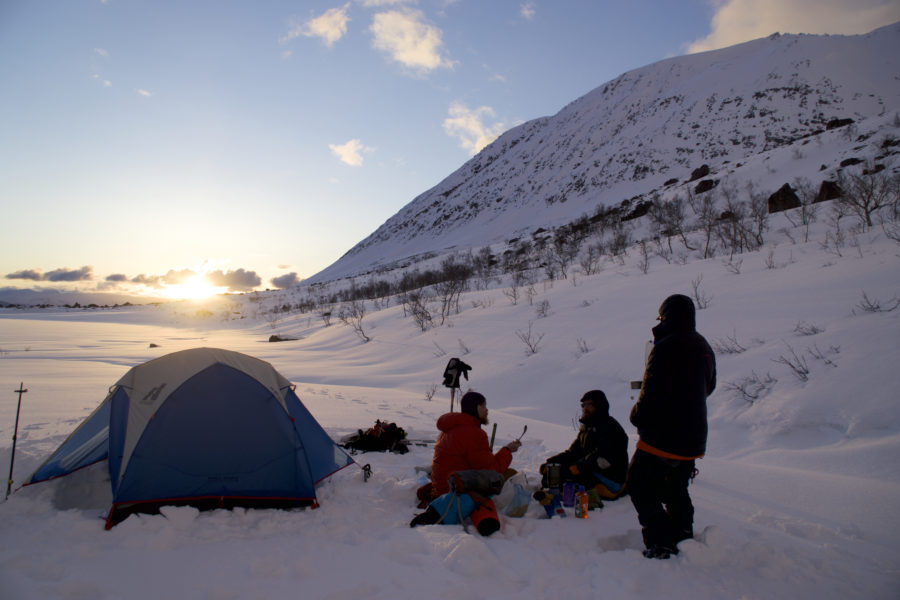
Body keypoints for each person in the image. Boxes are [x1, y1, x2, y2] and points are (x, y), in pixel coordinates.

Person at [627, 294, 716, 559]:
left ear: (666, 316)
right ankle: (682, 534)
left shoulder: (665, 346)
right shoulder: (703, 346)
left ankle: (660, 542)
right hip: (694, 438)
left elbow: (650, 391)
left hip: (661, 437)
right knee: (676, 487)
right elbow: (708, 387)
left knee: (639, 485)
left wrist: (637, 415)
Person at [412, 391, 521, 535]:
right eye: (483, 405)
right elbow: (492, 469)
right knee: (495, 482)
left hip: (440, 487)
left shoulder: (449, 428)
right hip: (454, 490)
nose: (487, 409)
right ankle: (483, 518)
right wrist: (507, 450)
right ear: (474, 408)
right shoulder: (473, 433)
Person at [539, 390, 628, 506]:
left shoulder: (611, 428)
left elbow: (603, 457)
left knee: (568, 480)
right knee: (552, 475)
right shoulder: (587, 427)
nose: (585, 408)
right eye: (583, 405)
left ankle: (607, 492)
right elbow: (573, 452)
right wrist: (551, 463)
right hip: (592, 469)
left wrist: (579, 467)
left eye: (589, 405)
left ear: (599, 405)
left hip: (610, 477)